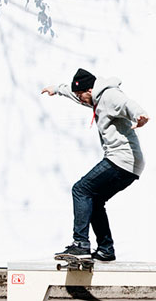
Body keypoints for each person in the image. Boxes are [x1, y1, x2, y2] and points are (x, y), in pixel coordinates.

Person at [42, 68, 150, 262]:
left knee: (80, 190)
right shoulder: (95, 98)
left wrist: (140, 116)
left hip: (121, 160)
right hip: (129, 164)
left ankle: (80, 244)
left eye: (81, 95)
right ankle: (106, 249)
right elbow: (73, 95)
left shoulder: (109, 95)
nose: (80, 100)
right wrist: (56, 89)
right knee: (94, 201)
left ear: (90, 90)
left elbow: (127, 104)